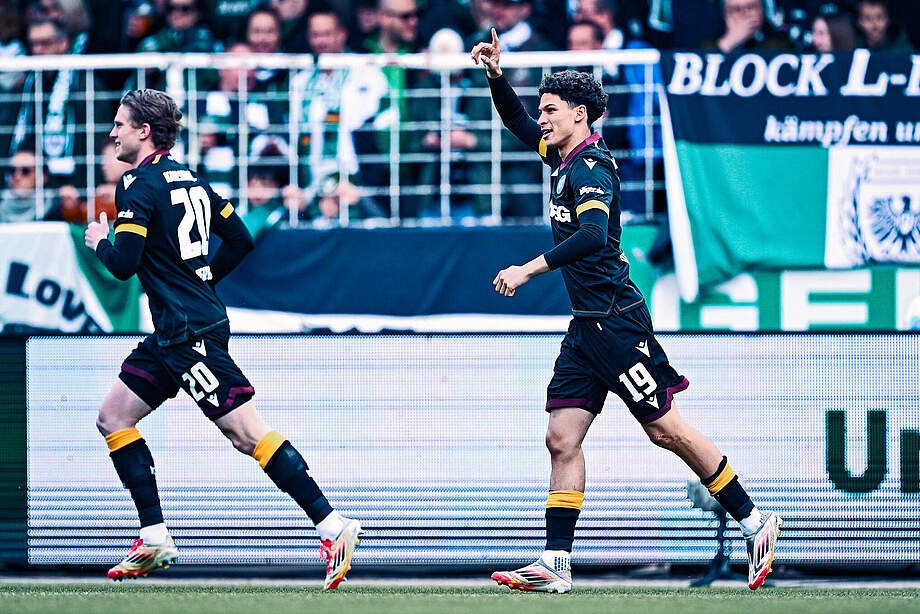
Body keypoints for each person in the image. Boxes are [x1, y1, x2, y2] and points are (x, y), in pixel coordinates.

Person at [471, 29, 782, 593]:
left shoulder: (590, 167)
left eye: (550, 110)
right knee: (561, 438)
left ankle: (755, 520)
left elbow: (592, 236)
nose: (541, 118)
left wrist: (527, 269)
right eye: (542, 108)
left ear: (579, 114)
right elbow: (515, 121)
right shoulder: (561, 155)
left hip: (616, 322)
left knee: (666, 431)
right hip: (586, 327)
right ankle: (556, 564)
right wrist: (496, 75)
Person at [82, 89, 362, 588]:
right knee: (113, 416)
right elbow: (239, 239)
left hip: (188, 333)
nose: (112, 133)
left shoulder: (136, 183)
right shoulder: (190, 178)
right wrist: (203, 279)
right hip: (177, 329)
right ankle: (154, 536)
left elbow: (123, 265)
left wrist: (101, 242)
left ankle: (333, 525)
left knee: (246, 434)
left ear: (144, 131)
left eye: (120, 124)